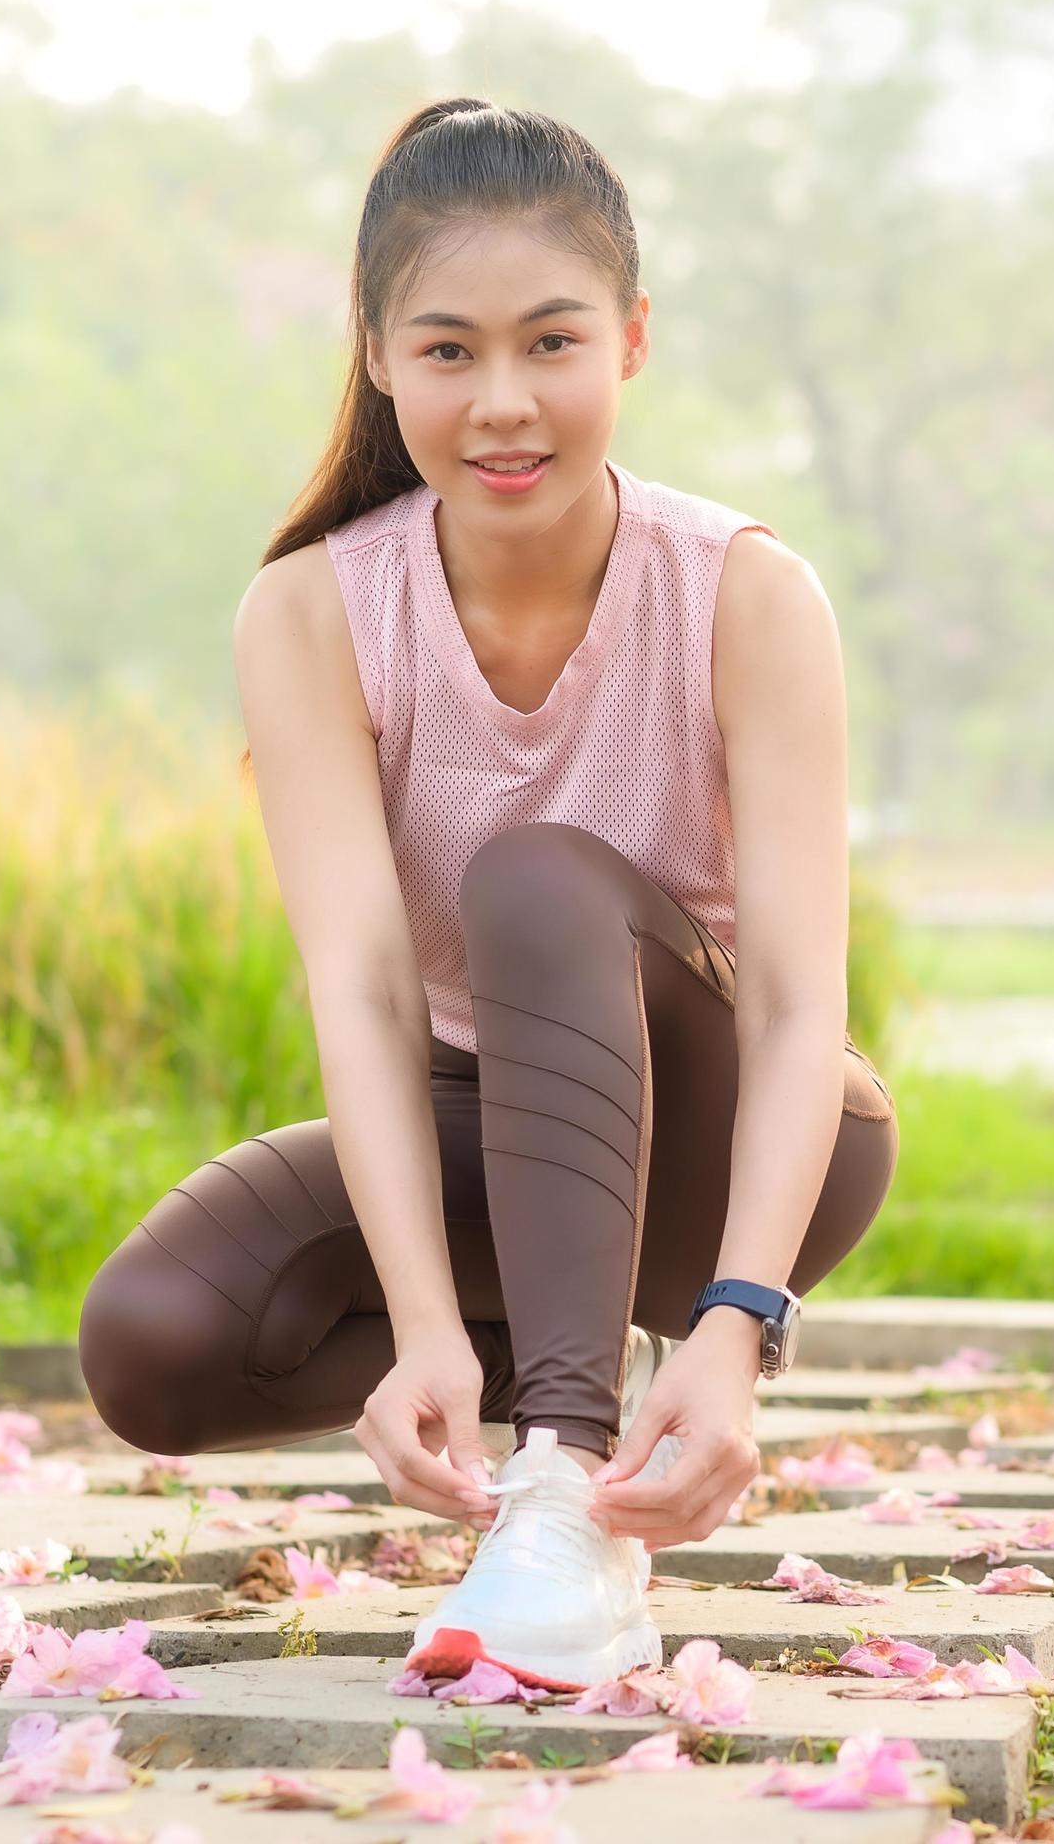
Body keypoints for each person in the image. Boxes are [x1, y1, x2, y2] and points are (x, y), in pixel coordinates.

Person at [74, 99, 899, 1690]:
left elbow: (800, 1002)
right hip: (493, 1126)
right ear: (377, 355)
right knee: (157, 1346)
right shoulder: (313, 610)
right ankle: (545, 1391)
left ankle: (564, 1501)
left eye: (552, 344)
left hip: (728, 1147)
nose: (503, 403)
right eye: (449, 352)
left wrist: (737, 1329)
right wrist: (424, 1330)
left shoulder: (743, 591)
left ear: (633, 341)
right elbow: (372, 998)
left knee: (535, 876)